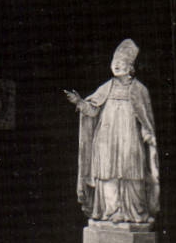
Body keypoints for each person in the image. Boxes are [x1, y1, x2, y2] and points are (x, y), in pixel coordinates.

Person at [64, 39, 160, 225]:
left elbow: (146, 119)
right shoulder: (105, 88)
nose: (116, 65)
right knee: (106, 173)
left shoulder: (140, 90)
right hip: (106, 140)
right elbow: (92, 110)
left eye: (122, 63)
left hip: (129, 137)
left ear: (131, 67)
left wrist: (148, 135)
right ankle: (110, 211)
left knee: (132, 171)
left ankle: (134, 213)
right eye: (114, 62)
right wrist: (79, 102)